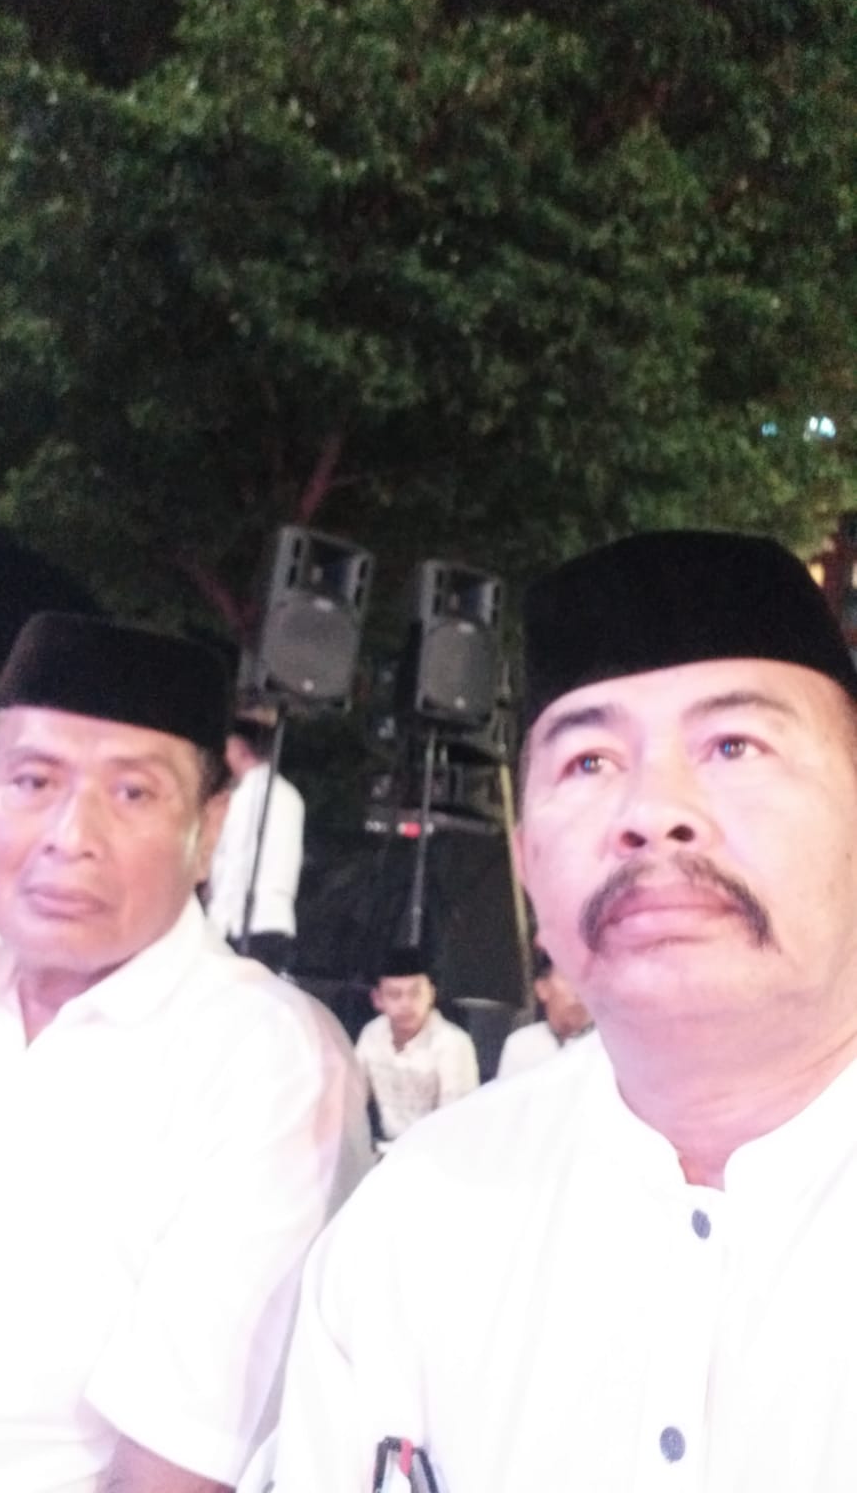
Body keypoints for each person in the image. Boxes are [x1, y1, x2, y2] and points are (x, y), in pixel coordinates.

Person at [267, 530, 857, 1493]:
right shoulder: (416, 1219)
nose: (653, 809)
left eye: (733, 745)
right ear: (527, 862)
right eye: (587, 762)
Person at [0, 611, 371, 1493]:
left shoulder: (269, 1061)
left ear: (210, 829)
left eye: (133, 794)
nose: (71, 835)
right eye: (33, 781)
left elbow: (177, 1470)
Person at [205, 712, 305, 971]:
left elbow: (232, 863)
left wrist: (215, 925)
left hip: (243, 923)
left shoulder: (241, 798)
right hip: (278, 921)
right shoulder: (291, 796)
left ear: (239, 749)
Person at [354, 947, 480, 1148]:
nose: (406, 1004)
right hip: (386, 1148)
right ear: (377, 999)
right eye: (395, 995)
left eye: (415, 993)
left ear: (431, 994)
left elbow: (457, 1122)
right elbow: (352, 1097)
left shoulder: (453, 1043)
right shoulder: (372, 1034)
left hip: (435, 1151)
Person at [496, 948, 598, 1078]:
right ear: (542, 988)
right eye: (568, 977)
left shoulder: (613, 1044)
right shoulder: (521, 1045)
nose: (578, 989)